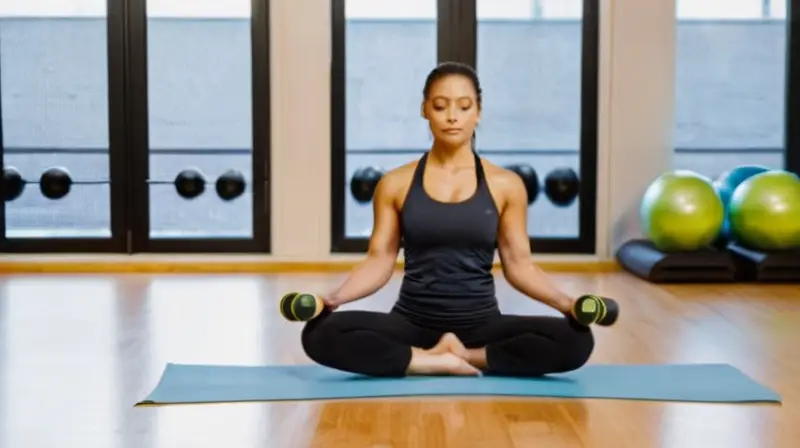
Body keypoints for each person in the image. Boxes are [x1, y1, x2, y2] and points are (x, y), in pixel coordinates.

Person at [302, 61, 594, 377]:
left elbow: (520, 265)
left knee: (577, 341)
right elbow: (379, 261)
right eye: (440, 106)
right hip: (410, 322)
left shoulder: (506, 185)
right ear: (425, 110)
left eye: (464, 106)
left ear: (478, 112)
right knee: (318, 333)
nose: (452, 116)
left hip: (482, 324)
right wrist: (333, 299)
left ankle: (467, 356)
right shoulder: (395, 184)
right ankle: (430, 360)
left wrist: (568, 304)